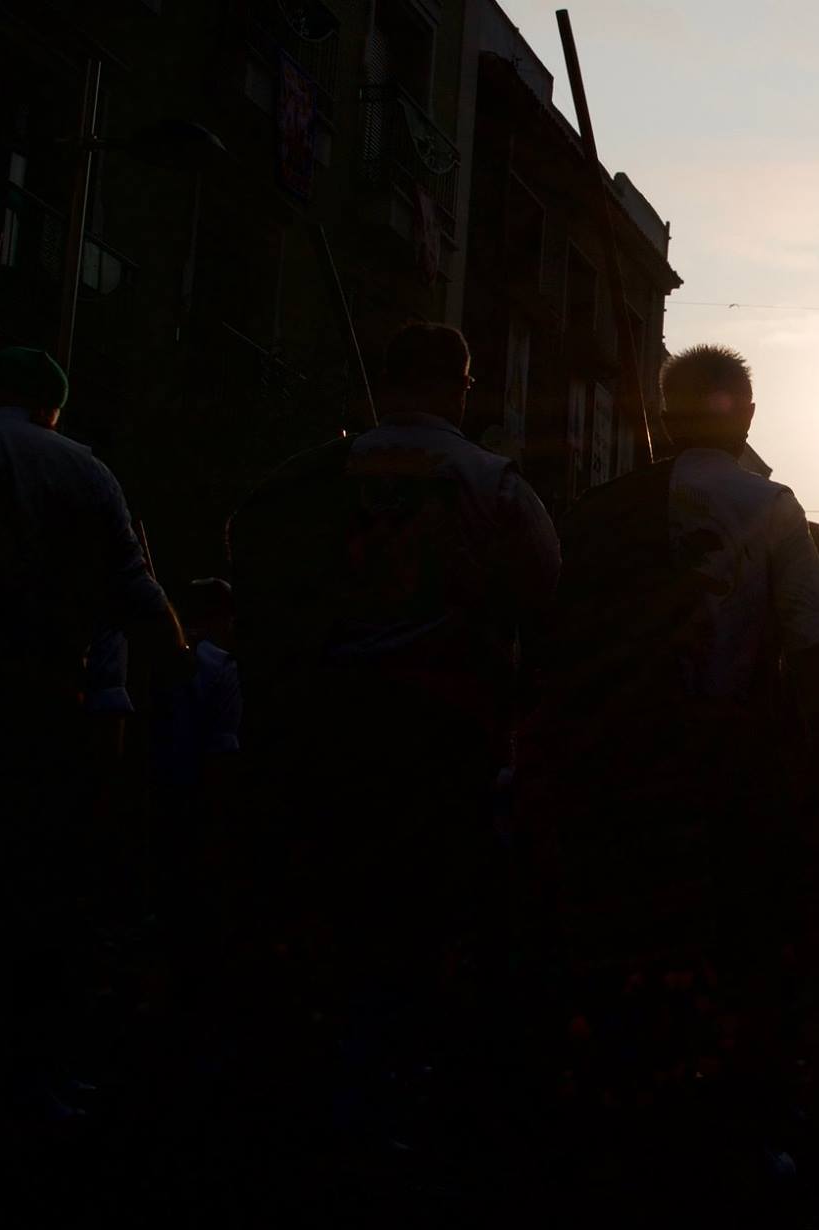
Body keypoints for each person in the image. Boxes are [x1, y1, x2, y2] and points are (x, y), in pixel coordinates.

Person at [224, 323, 560, 1144]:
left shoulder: (307, 479)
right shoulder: (495, 485)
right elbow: (547, 605)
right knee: (428, 921)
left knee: (332, 913)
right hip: (444, 735)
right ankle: (401, 1090)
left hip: (325, 729)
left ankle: (323, 1082)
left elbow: (251, 560)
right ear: (462, 386)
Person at [529, 342, 819, 1184]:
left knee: (624, 947)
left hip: (618, 766)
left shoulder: (600, 509)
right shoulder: (771, 507)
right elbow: (811, 649)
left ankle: (618, 1109)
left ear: (664, 418)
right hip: (730, 766)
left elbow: (558, 643)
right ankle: (743, 1123)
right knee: (747, 949)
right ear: (745, 414)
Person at [0, 346, 187, 1116]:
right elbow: (136, 594)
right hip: (40, 714)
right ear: (53, 407)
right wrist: (183, 678)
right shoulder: (78, 469)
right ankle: (30, 1069)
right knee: (41, 894)